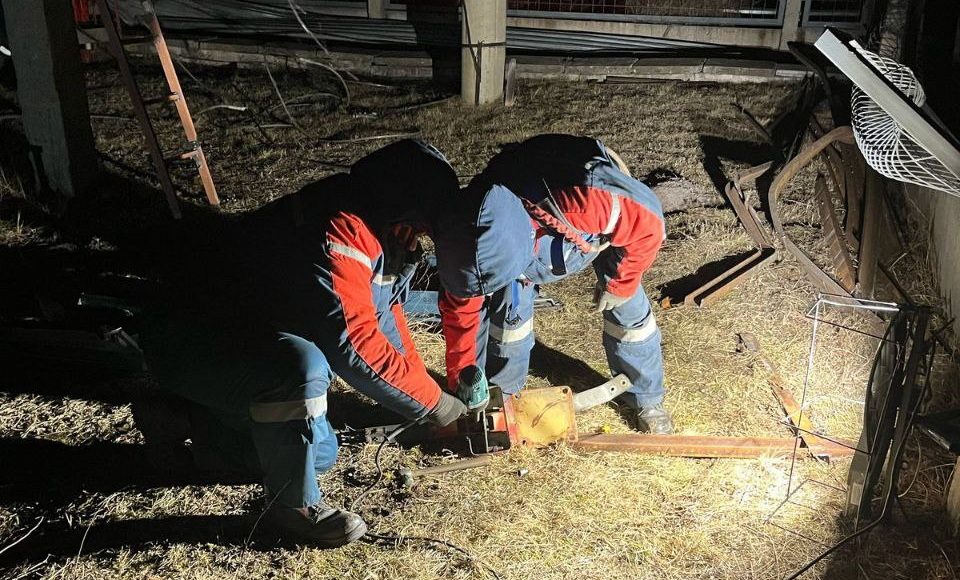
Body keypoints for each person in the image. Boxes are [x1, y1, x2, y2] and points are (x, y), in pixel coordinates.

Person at [141, 140, 469, 548]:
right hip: (191, 337)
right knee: (302, 369)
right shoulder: (344, 228)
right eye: (421, 223)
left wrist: (429, 396)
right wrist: (437, 408)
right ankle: (291, 509)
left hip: (243, 345)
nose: (421, 236)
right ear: (400, 203)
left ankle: (188, 420)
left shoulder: (382, 233)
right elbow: (355, 343)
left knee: (319, 455)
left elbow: (387, 319)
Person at [434, 134, 672, 433]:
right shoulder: (466, 246)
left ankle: (646, 397)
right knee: (510, 320)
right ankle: (504, 400)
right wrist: (464, 380)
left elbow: (649, 222)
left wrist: (621, 284)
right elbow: (462, 320)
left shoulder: (586, 198)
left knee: (629, 313)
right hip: (524, 242)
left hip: (585, 230)